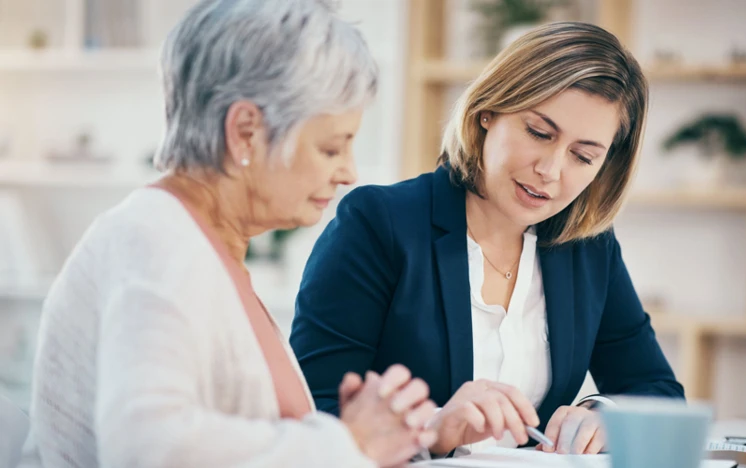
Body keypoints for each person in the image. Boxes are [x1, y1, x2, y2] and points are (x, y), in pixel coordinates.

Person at [18, 1, 437, 467]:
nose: (349, 173)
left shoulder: (201, 247)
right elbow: (148, 448)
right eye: (330, 147)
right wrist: (347, 446)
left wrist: (391, 435)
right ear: (244, 132)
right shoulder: (156, 241)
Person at [290, 21, 685, 458]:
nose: (551, 171)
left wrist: (601, 413)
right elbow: (310, 413)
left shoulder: (588, 249)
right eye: (539, 132)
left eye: (583, 156)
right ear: (488, 113)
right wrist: (435, 430)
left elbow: (659, 394)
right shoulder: (377, 223)